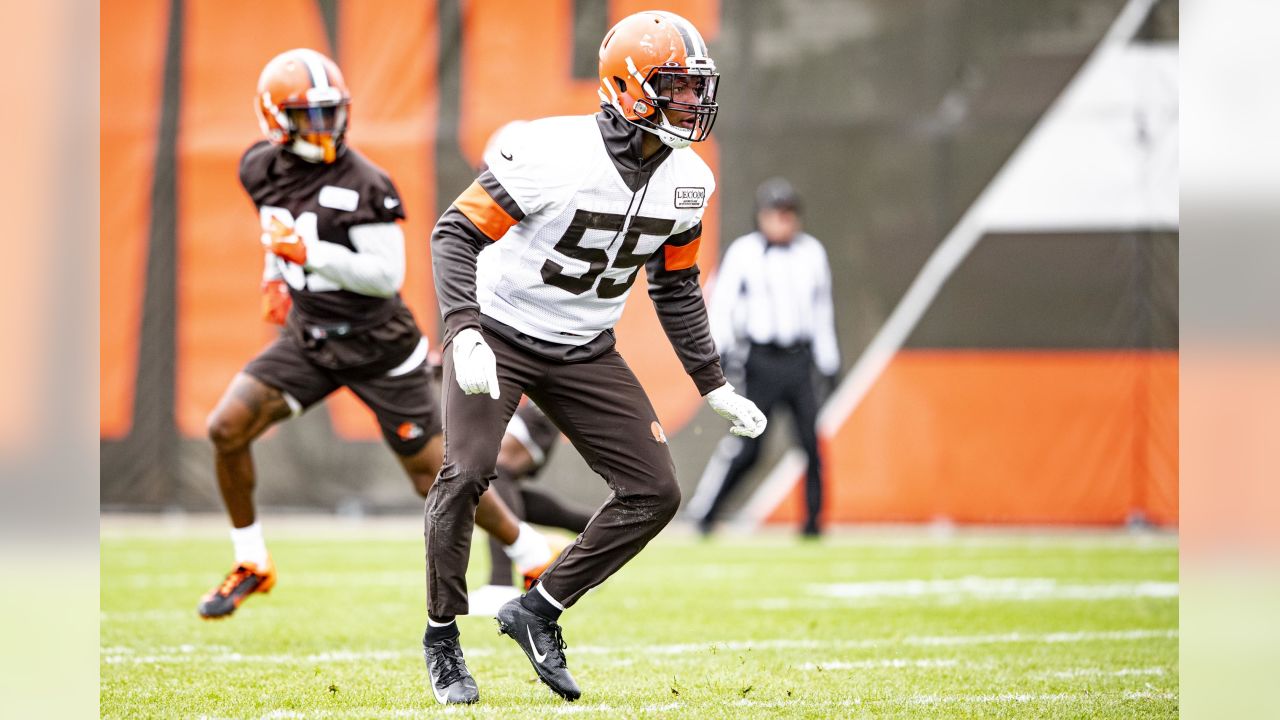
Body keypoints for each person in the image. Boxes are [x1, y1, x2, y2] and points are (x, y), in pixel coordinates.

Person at [421, 11, 766, 705]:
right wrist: (464, 329)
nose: (693, 103)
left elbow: (674, 283)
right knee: (466, 473)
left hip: (584, 347)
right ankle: (442, 638)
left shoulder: (688, 180)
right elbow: (454, 233)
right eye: (677, 87)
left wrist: (712, 381)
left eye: (697, 88)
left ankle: (538, 609)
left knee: (656, 491)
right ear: (630, 88)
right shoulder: (552, 151)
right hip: (502, 329)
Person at [197, 48, 556, 620]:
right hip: (311, 336)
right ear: (274, 120)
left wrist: (305, 254)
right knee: (226, 427)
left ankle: (532, 550)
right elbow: (277, 230)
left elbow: (384, 275)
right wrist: (276, 275)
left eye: (330, 112)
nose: (324, 127)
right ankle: (252, 561)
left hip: (378, 345)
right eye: (308, 116)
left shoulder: (366, 182)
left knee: (432, 474)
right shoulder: (258, 167)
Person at [688, 178, 841, 538]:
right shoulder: (744, 252)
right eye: (775, 214)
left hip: (799, 360)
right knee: (749, 444)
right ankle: (707, 515)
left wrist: (829, 360)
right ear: (761, 217)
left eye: (788, 214)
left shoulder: (812, 253)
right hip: (761, 361)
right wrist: (720, 352)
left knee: (810, 444)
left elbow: (821, 311)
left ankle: (813, 525)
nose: (782, 222)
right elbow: (722, 304)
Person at [469, 401, 596, 616]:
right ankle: (600, 535)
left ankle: (501, 584)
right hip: (499, 404)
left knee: (494, 469)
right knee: (484, 489)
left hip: (542, 393)